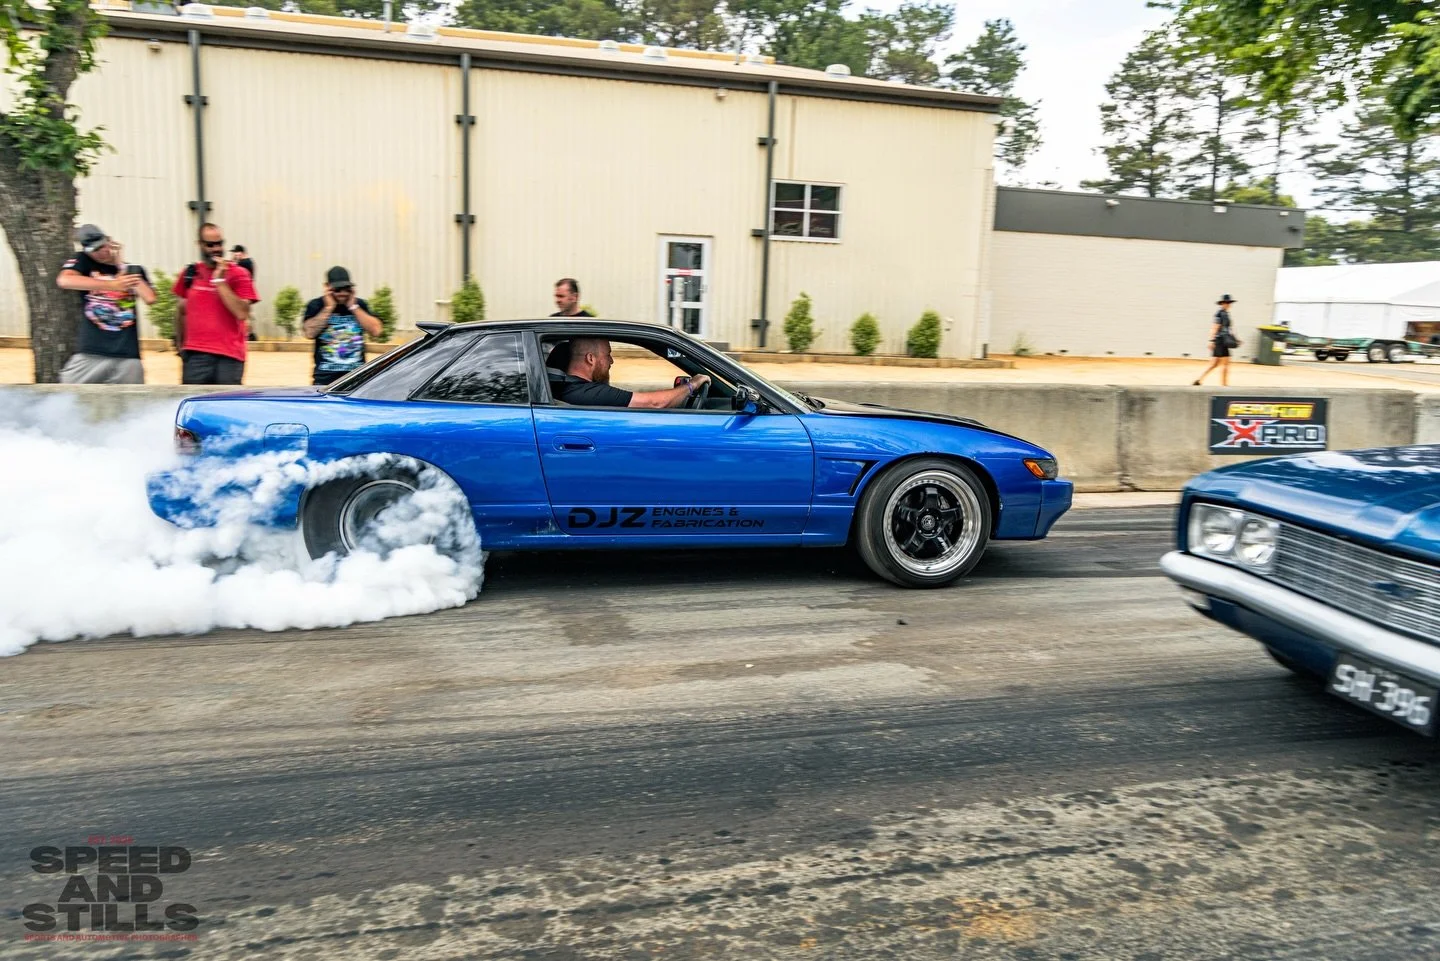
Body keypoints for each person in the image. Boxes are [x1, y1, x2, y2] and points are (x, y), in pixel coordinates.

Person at [54, 224, 156, 384]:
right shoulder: (83, 263)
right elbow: (64, 280)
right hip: (91, 351)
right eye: (94, 250)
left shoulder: (132, 269)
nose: (101, 253)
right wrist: (112, 285)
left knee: (133, 402)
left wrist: (121, 264)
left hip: (126, 354)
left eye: (103, 246)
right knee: (68, 393)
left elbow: (149, 298)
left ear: (109, 241)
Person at [174, 223, 259, 385]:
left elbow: (242, 312)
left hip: (229, 357)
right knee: (195, 406)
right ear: (200, 245)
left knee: (225, 407)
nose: (216, 249)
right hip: (195, 356)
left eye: (219, 244)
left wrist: (220, 281)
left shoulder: (239, 274)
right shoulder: (189, 274)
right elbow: (181, 311)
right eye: (210, 245)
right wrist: (181, 347)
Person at [551, 337, 708, 408]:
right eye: (607, 355)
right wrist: (692, 385)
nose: (612, 361)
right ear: (590, 359)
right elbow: (655, 403)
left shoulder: (565, 388)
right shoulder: (589, 394)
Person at [302, 266, 381, 385]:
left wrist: (353, 307)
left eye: (346, 289)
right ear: (327, 287)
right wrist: (329, 308)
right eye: (338, 289)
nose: (342, 293)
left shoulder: (359, 305)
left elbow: (376, 331)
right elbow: (309, 333)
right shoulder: (316, 305)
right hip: (325, 380)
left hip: (356, 379)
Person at [1194, 294, 1239, 387]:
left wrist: (1235, 339)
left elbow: (1229, 329)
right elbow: (1215, 327)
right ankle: (1224, 385)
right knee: (1225, 364)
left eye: (1229, 303)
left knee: (1214, 364)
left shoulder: (1226, 314)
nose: (1227, 304)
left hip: (1223, 340)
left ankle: (1199, 380)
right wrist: (1211, 340)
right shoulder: (1219, 314)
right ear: (1221, 303)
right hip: (1220, 341)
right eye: (1225, 303)